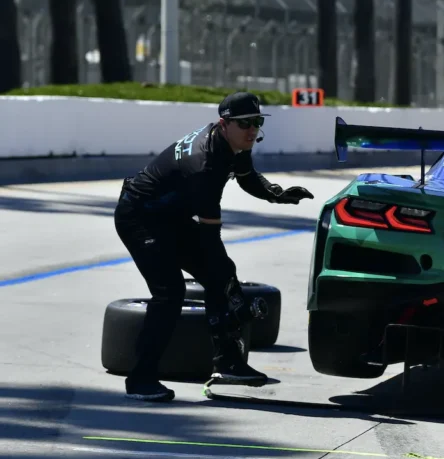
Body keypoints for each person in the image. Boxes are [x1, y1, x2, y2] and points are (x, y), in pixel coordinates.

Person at [114, 91, 314, 401]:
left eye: (257, 122)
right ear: (223, 124)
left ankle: (229, 363)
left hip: (170, 216)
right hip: (139, 216)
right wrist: (227, 288)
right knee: (171, 291)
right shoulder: (204, 164)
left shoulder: (236, 142)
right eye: (245, 123)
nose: (252, 130)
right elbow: (210, 240)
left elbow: (246, 176)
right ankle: (140, 379)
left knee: (221, 273)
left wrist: (276, 193)